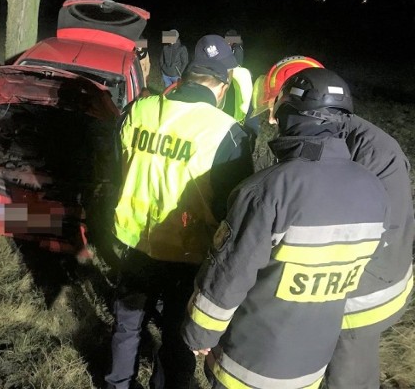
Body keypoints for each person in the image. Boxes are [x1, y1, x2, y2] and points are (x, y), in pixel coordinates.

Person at [181, 68, 391, 389]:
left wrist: (200, 333)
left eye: (279, 113)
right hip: (313, 364)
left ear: (293, 115)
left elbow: (229, 274)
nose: (274, 122)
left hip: (249, 363)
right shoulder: (374, 189)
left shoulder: (267, 190)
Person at [251, 56, 415, 389]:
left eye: (276, 106)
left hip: (363, 293)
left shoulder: (367, 151)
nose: (272, 117)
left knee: (347, 373)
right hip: (349, 281)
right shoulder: (332, 132)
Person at [105, 38, 254, 389]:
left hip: (134, 240)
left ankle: (116, 384)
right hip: (189, 254)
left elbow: (117, 169)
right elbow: (234, 206)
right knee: (177, 335)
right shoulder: (227, 133)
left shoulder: (138, 111)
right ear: (222, 85)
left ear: (186, 75)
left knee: (127, 323)